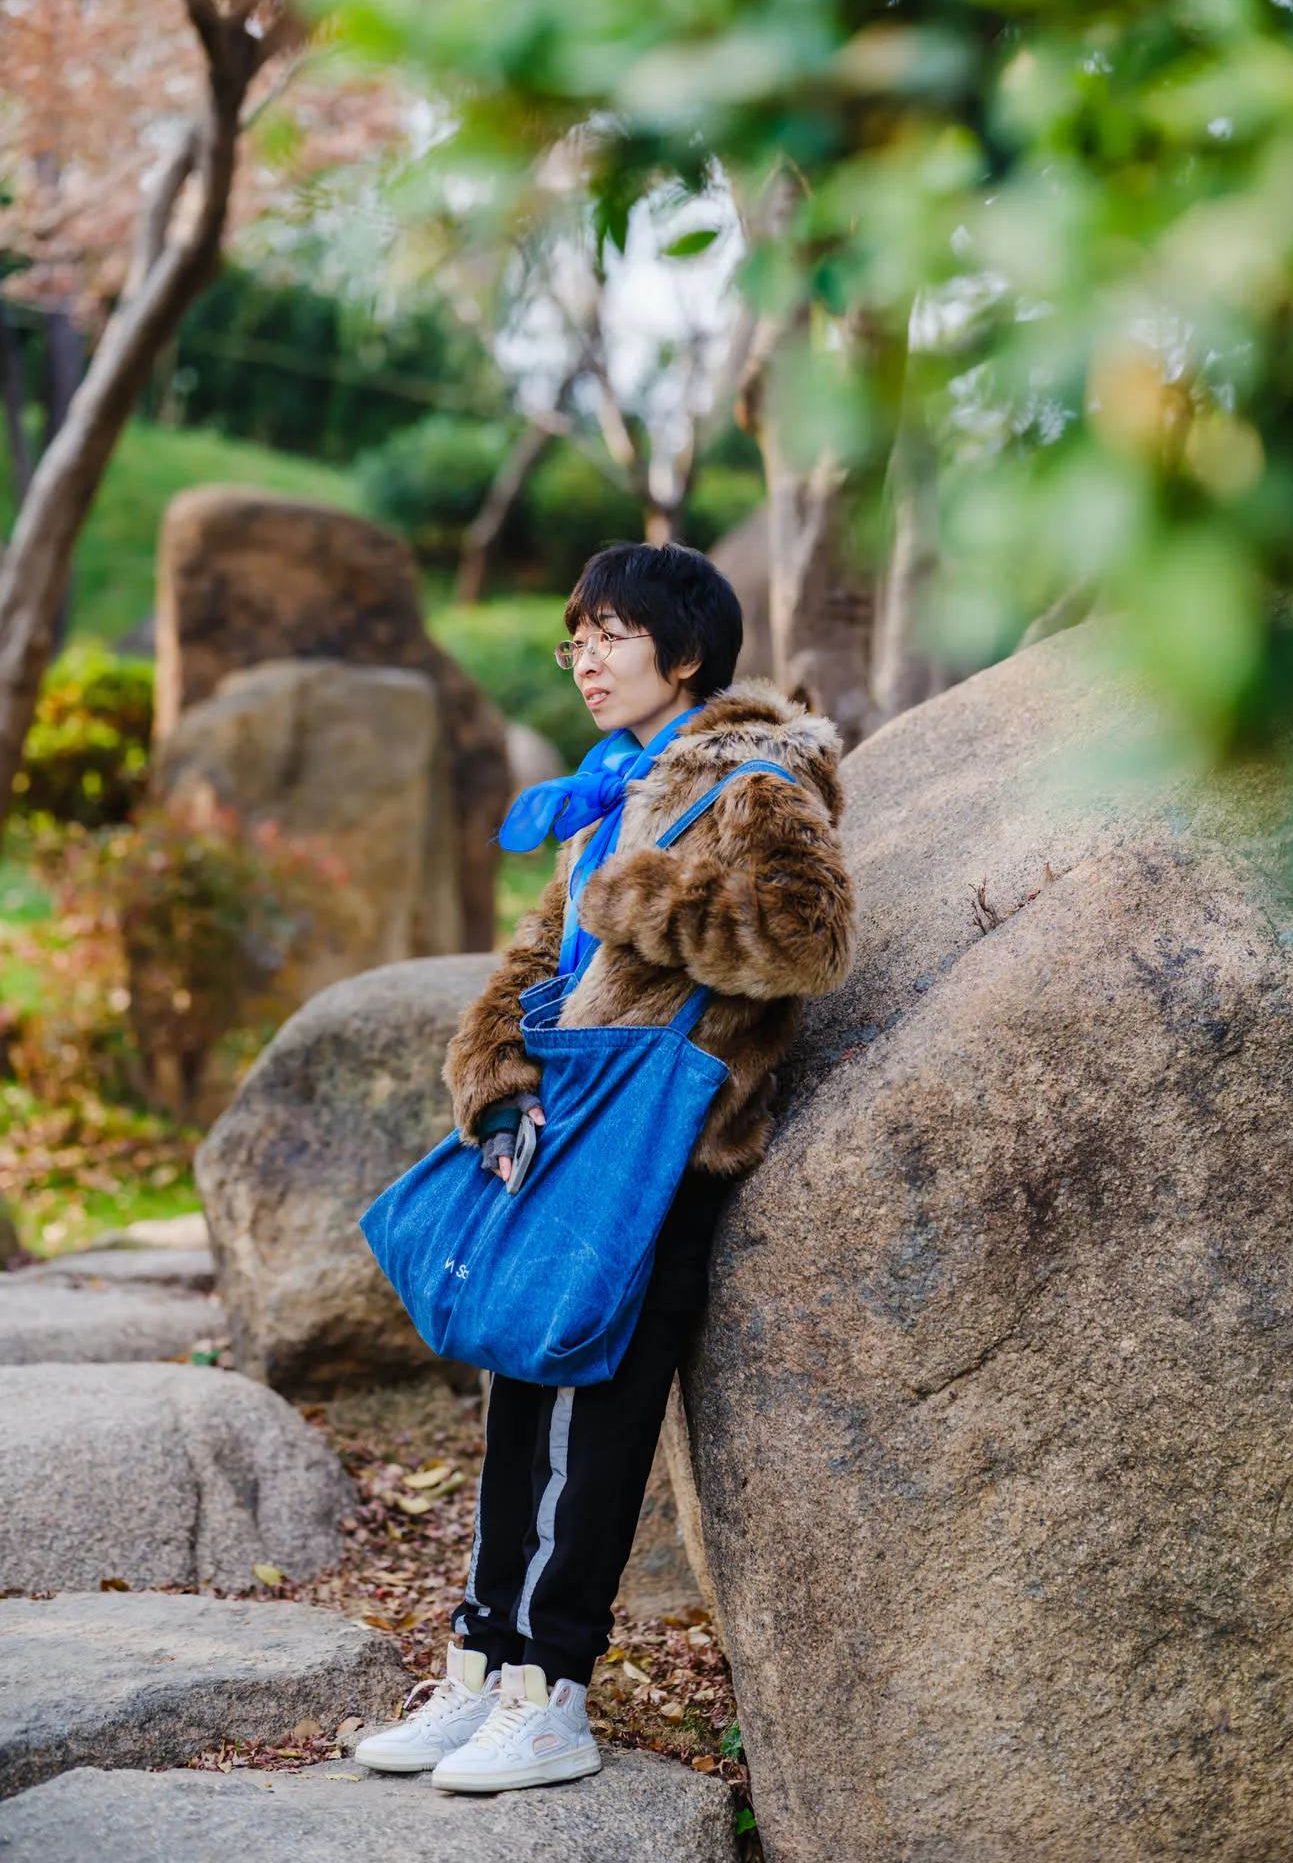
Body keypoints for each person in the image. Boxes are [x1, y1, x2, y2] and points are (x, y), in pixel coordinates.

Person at [354, 541, 854, 1793]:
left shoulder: (752, 777)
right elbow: (536, 966)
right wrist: (495, 1077)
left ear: (685, 651)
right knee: (520, 1403)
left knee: (595, 1431)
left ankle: (553, 1694)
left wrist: (641, 899)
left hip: (659, 1158)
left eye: (611, 633)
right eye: (574, 636)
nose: (584, 656)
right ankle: (480, 1670)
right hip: (567, 1135)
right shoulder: (608, 790)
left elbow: (807, 937)